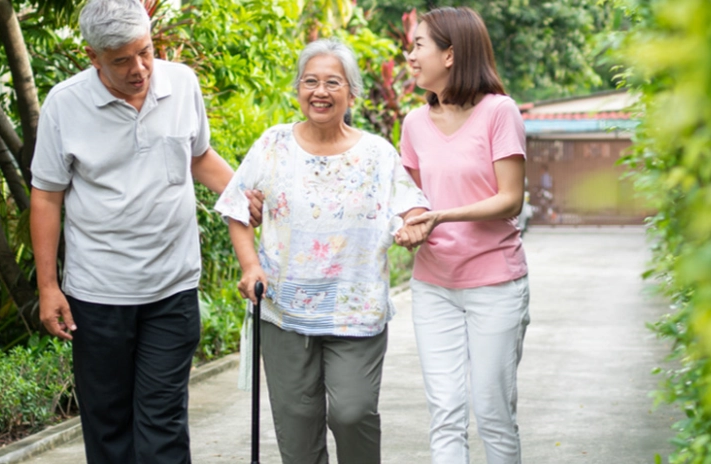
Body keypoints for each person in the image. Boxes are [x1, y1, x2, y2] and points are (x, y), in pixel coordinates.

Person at [29, 1, 260, 462]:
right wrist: (48, 287)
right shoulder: (65, 104)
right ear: (93, 57)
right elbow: (46, 197)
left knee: (163, 424)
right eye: (122, 60)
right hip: (98, 294)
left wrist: (243, 195)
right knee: (108, 426)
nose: (139, 69)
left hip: (172, 287)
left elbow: (198, 156)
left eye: (145, 52)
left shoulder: (182, 84)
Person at [214, 39, 429, 464]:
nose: (320, 92)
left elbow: (413, 205)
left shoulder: (377, 154)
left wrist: (412, 225)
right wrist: (250, 266)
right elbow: (237, 206)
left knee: (353, 412)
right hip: (284, 311)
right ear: (298, 89)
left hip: (356, 309)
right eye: (310, 81)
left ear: (352, 93)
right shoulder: (274, 144)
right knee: (296, 425)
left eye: (333, 82)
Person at [394, 7, 531, 464]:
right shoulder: (414, 123)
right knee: (446, 414)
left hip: (495, 285)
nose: (410, 56)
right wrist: (412, 223)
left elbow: (510, 199)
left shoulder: (499, 112)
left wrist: (441, 217)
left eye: (419, 45)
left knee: (493, 413)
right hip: (433, 287)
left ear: (450, 55)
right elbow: (413, 198)